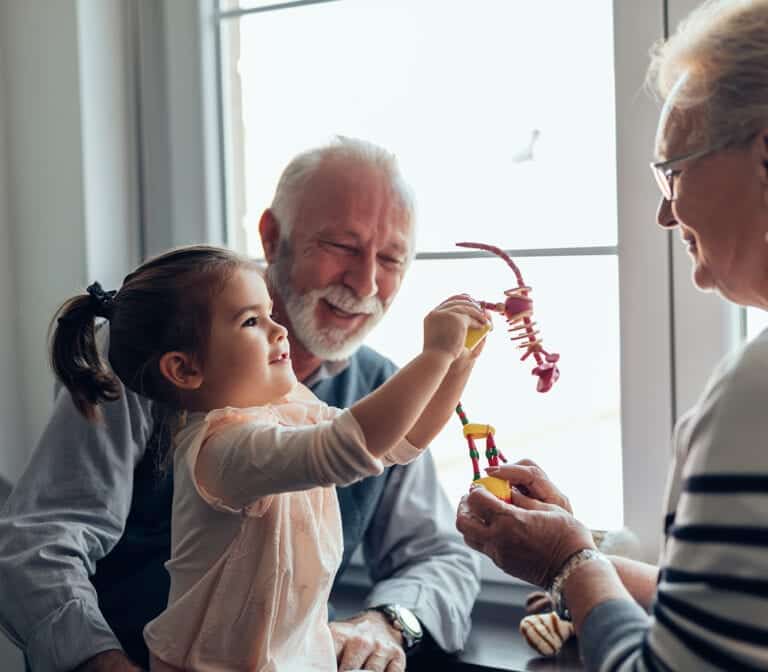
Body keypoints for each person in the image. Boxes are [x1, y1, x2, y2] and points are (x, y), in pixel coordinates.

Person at [0, 138, 482, 672]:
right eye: (343, 247)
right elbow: (40, 542)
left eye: (391, 258)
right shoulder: (157, 375)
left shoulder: (376, 388)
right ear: (273, 237)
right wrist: (100, 662)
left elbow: (433, 536)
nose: (366, 282)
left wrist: (388, 622)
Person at [456, 1, 768, 669]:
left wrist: (569, 563)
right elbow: (728, 623)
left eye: (674, 170)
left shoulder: (756, 389)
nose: (663, 211)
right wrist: (579, 552)